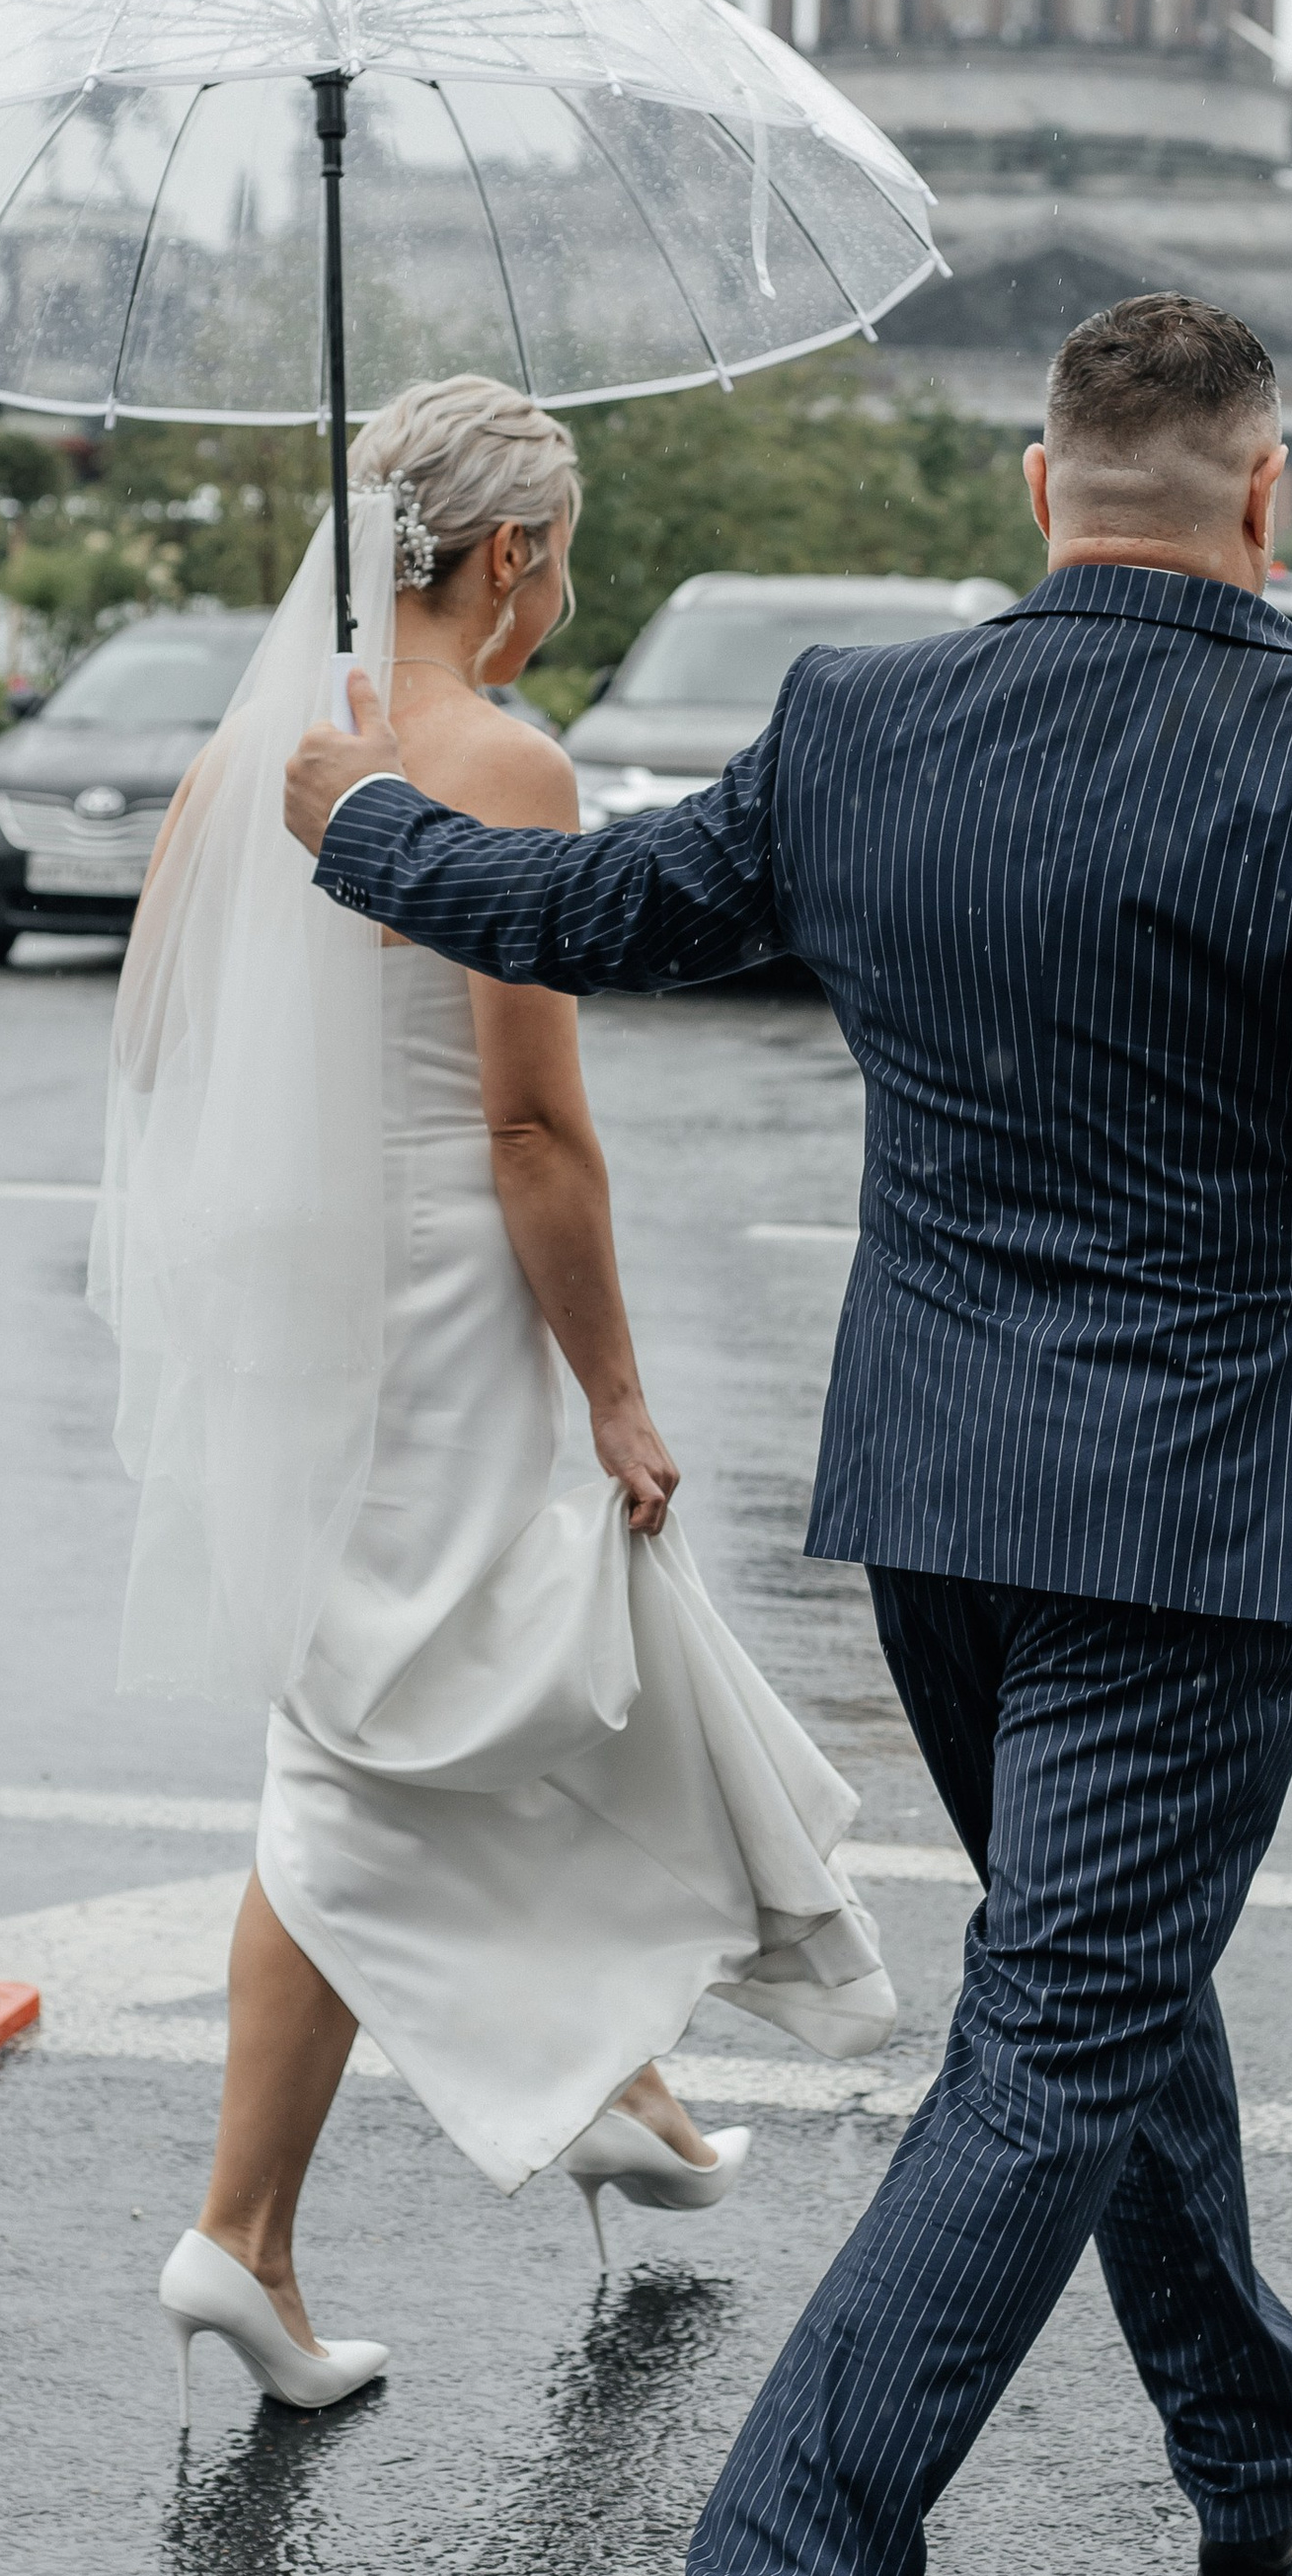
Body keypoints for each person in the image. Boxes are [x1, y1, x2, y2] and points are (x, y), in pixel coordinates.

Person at [282, 295, 1292, 2576]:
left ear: (1033, 488)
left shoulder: (865, 727)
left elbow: (598, 915)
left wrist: (355, 826)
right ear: (1269, 500)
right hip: (1185, 1530)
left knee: (1097, 1980)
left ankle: (1261, 2452)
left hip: (940, 1512)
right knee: (1063, 2033)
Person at [92, 375, 895, 2435]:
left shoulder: (248, 754)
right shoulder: (503, 767)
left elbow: (168, 1047)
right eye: (571, 551)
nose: (567, 587)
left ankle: (603, 2082)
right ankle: (248, 2228)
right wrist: (620, 1392)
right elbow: (536, 1134)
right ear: (513, 557)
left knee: (459, 1679)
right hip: (450, 1304)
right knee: (413, 1721)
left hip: (298, 1305)